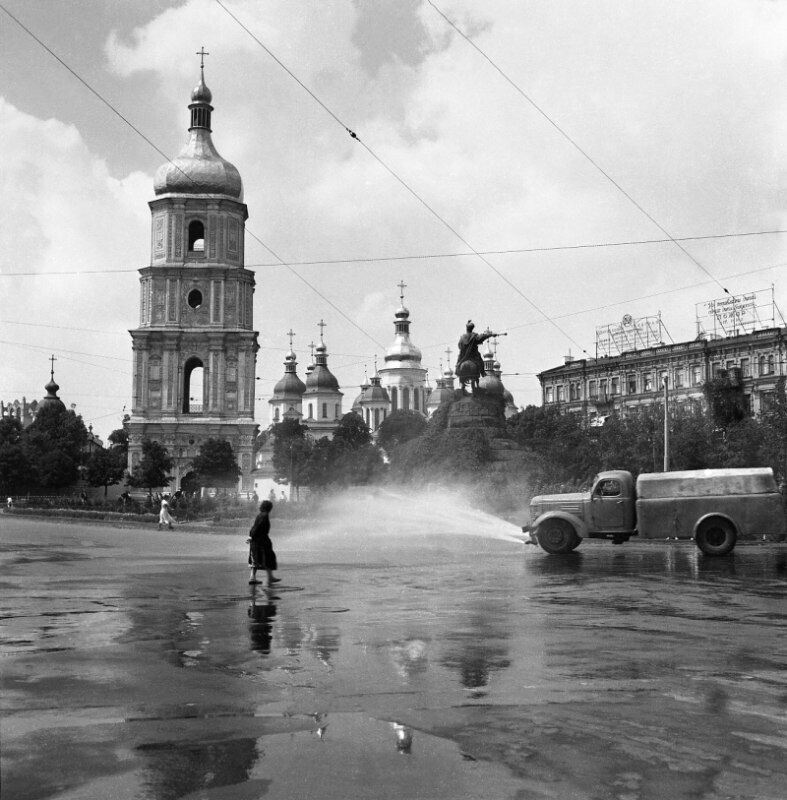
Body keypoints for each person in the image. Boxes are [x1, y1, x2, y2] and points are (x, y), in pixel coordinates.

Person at [455, 320, 499, 391]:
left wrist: (464, 349)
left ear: (467, 328)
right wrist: (490, 335)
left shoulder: (462, 337)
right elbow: (481, 337)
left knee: (459, 363)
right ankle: (482, 372)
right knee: (481, 361)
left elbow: (459, 345)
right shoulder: (474, 336)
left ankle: (458, 372)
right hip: (473, 355)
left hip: (463, 356)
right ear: (472, 328)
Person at [248, 499, 280, 587]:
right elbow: (258, 527)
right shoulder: (264, 516)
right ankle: (270, 577)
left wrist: (250, 536)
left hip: (256, 539)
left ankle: (253, 577)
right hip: (261, 540)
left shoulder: (260, 515)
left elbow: (254, 527)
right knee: (268, 557)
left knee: (255, 558)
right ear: (269, 508)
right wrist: (252, 536)